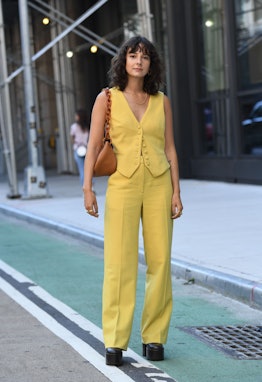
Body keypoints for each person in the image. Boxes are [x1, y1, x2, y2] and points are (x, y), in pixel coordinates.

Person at [83, 36, 183, 366]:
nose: (138, 61)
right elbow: (94, 145)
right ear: (123, 62)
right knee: (119, 264)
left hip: (158, 187)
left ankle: (154, 337)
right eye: (132, 55)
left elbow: (169, 149)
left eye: (144, 56)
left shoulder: (161, 101)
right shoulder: (106, 98)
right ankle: (114, 341)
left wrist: (176, 192)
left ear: (152, 64)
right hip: (123, 186)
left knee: (160, 263)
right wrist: (87, 188)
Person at [70, 109, 89, 185]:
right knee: (88, 168)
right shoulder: (87, 126)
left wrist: (75, 143)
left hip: (78, 148)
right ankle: (91, 185)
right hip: (86, 148)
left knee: (81, 169)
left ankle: (84, 186)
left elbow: (72, 138)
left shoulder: (74, 127)